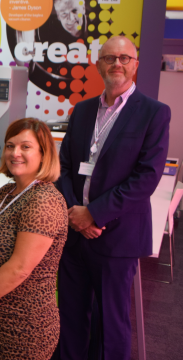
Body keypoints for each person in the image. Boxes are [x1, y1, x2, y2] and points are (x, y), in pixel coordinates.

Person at [57, 36, 171, 359]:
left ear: (135, 65)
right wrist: (73, 214)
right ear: (98, 65)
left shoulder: (154, 113)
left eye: (124, 58)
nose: (116, 64)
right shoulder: (81, 111)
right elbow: (63, 166)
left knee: (112, 326)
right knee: (72, 320)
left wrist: (93, 214)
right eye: (109, 58)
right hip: (75, 236)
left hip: (116, 238)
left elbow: (145, 178)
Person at [0, 118, 68, 359]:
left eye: (25, 147)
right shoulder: (5, 192)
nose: (15, 153)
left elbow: (19, 269)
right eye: (10, 146)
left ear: (43, 153)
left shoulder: (44, 201)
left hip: (23, 328)